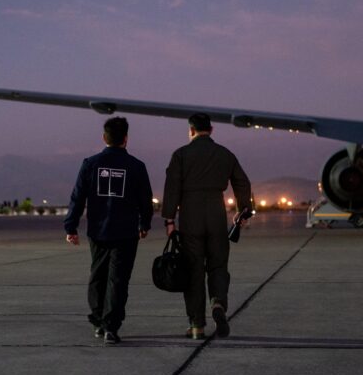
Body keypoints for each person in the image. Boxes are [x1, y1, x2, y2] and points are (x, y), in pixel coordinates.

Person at [162, 113, 252, 339]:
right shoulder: (225, 154)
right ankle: (218, 303)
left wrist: (170, 220)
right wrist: (243, 211)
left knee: (193, 269)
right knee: (218, 264)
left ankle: (197, 326)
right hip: (216, 213)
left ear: (191, 130)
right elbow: (242, 182)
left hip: (190, 215)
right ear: (211, 130)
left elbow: (172, 188)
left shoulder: (180, 155)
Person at [65, 117, 153, 345]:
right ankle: (111, 327)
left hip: (98, 231)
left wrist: (71, 226)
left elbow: (78, 197)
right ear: (126, 138)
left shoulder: (90, 164)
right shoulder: (136, 166)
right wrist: (144, 224)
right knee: (118, 280)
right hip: (126, 233)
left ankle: (98, 321)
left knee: (98, 276)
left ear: (104, 137)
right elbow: (145, 200)